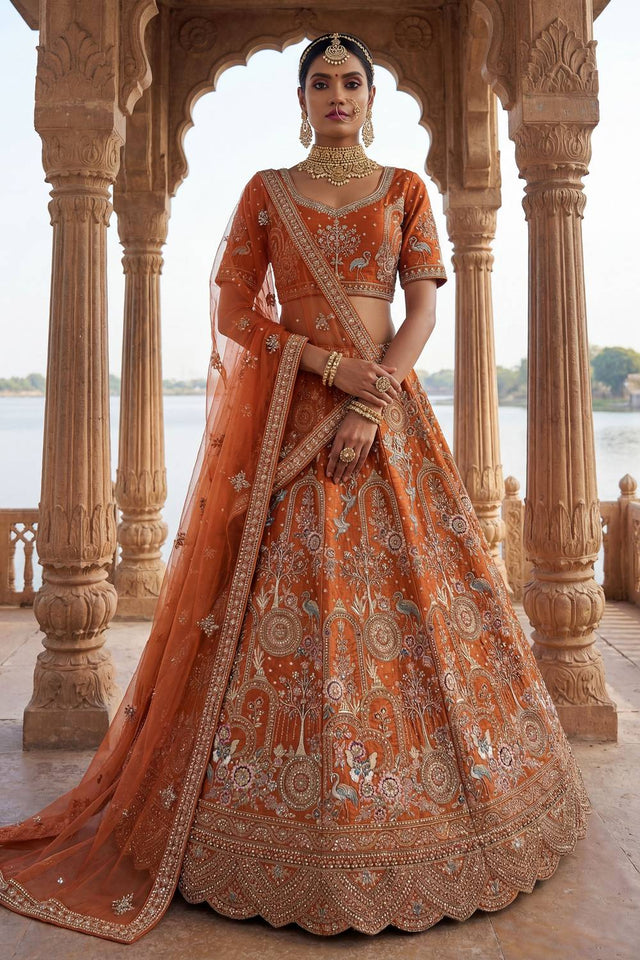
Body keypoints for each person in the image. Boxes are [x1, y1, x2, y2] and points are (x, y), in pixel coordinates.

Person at [0, 32, 590, 943]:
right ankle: (249, 824)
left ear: (371, 98)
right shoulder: (267, 192)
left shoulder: (405, 189)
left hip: (386, 415)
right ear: (303, 99)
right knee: (279, 607)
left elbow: (423, 308)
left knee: (419, 612)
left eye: (351, 82)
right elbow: (237, 308)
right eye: (321, 83)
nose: (337, 95)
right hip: (292, 420)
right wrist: (323, 366)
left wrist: (372, 399)